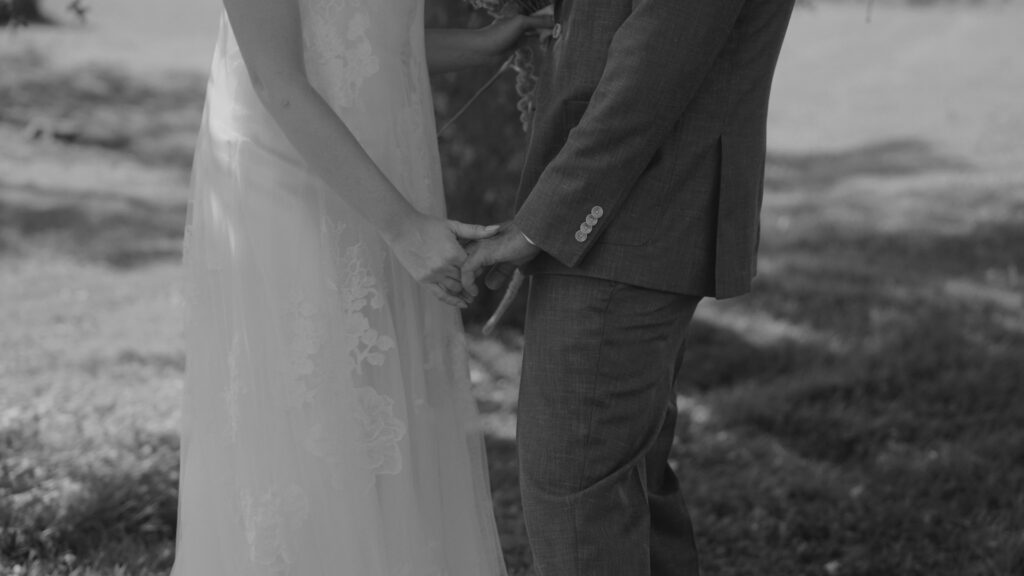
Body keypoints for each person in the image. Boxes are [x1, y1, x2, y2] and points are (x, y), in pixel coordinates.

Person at [171, 1, 549, 574]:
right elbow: (278, 80)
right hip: (291, 181)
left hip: (382, 172)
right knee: (313, 430)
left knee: (393, 423)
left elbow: (367, 36)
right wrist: (403, 228)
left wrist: (485, 43)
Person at [461, 1, 798, 574]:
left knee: (577, 501)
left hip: (631, 214)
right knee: (622, 487)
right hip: (632, 212)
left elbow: (650, 72)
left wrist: (541, 224)